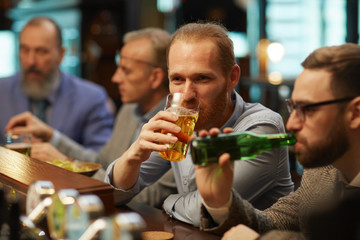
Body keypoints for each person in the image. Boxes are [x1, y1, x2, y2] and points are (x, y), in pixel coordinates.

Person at [105, 22, 294, 227]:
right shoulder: (177, 122)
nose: (186, 95)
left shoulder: (262, 128)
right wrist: (133, 156)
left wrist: (167, 202)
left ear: (232, 78)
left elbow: (204, 212)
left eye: (202, 78)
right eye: (177, 79)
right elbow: (113, 197)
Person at [195, 43, 360, 239]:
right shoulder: (321, 169)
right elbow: (274, 222)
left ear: (355, 113)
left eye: (307, 109)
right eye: (294, 107)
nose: (291, 124)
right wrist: (219, 202)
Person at [6, 27, 178, 209]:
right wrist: (51, 136)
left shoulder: (177, 126)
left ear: (155, 77)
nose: (115, 77)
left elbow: (144, 199)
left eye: (125, 70)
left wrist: (66, 163)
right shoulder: (129, 110)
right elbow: (101, 161)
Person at [1, 16, 113, 150]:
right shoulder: (3, 90)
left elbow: (102, 161)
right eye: (25, 50)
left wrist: (62, 158)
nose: (31, 61)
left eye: (41, 51)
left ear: (60, 54)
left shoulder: (91, 98)